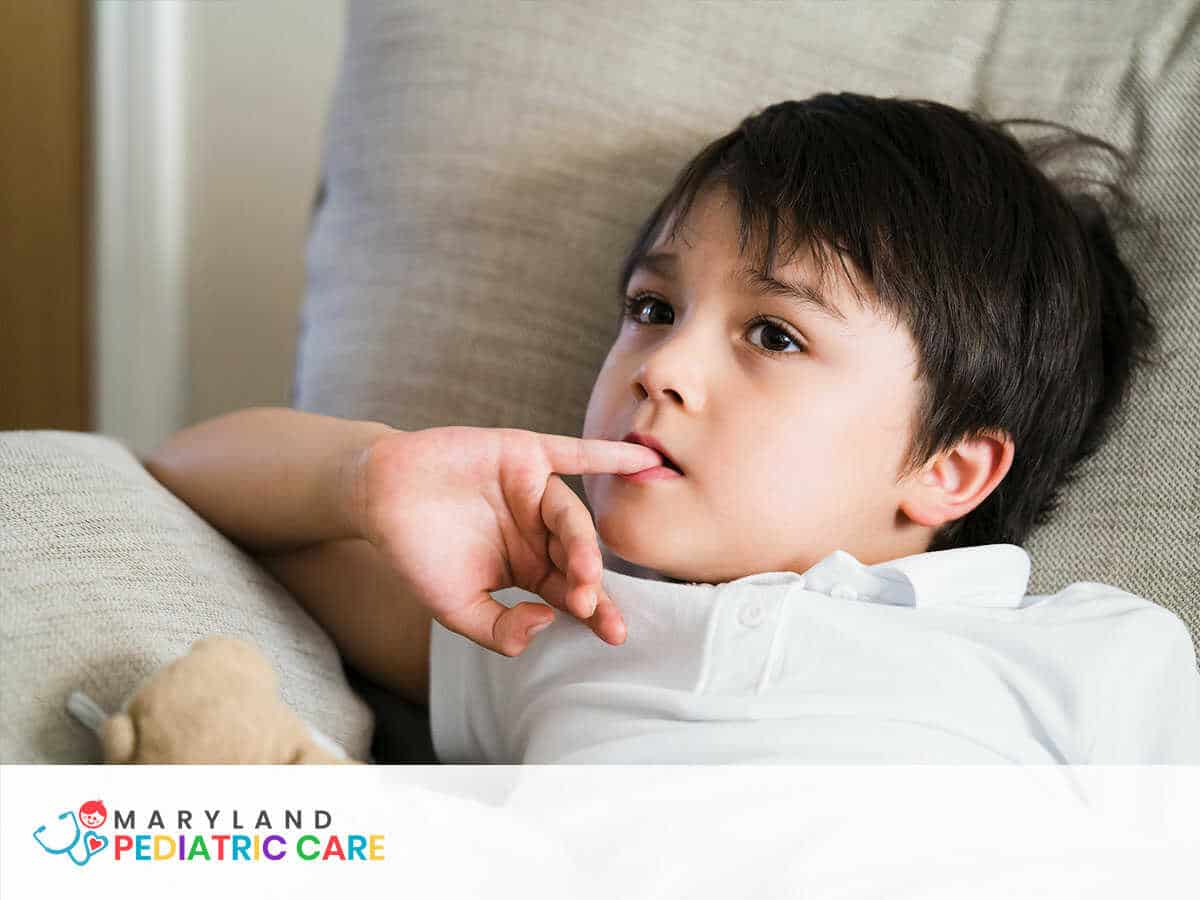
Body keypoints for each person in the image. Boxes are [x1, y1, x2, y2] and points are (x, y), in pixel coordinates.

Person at [143, 93, 1200, 764]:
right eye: (654, 310)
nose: (663, 370)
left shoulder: (1089, 653)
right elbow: (181, 474)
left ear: (948, 466)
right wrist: (371, 474)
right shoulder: (550, 621)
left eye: (775, 335)